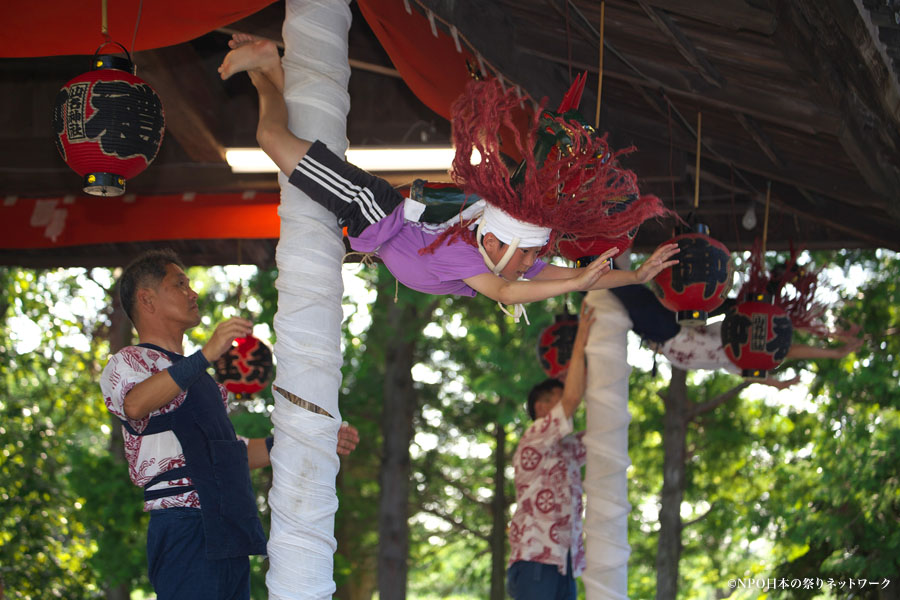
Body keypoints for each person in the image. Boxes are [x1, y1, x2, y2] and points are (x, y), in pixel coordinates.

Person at [217, 36, 679, 314]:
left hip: (370, 216)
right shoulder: (472, 256)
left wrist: (635, 279)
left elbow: (565, 278)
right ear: (498, 242)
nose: (530, 267)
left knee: (283, 140)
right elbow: (506, 290)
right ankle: (263, 69)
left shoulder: (494, 253)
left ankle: (268, 68)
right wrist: (576, 283)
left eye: (531, 259)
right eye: (528, 258)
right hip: (368, 206)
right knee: (271, 139)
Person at [99, 249, 359, 599]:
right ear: (147, 299)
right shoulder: (129, 360)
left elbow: (234, 451)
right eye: (179, 284)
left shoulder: (200, 378)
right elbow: (135, 404)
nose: (192, 293)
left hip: (226, 527)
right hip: (184, 524)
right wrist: (205, 355)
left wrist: (312, 440)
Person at [609, 283, 863, 388]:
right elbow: (786, 336)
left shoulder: (736, 360)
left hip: (667, 335)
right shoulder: (736, 348)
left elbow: (787, 349)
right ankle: (593, 268)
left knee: (620, 293)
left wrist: (835, 351)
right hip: (670, 333)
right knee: (622, 290)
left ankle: (593, 269)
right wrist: (835, 345)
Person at [507, 304, 595, 600]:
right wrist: (581, 333)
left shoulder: (565, 447)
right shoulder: (535, 435)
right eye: (559, 398)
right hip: (536, 558)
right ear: (543, 408)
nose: (571, 403)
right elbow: (571, 399)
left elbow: (601, 435)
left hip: (563, 561)